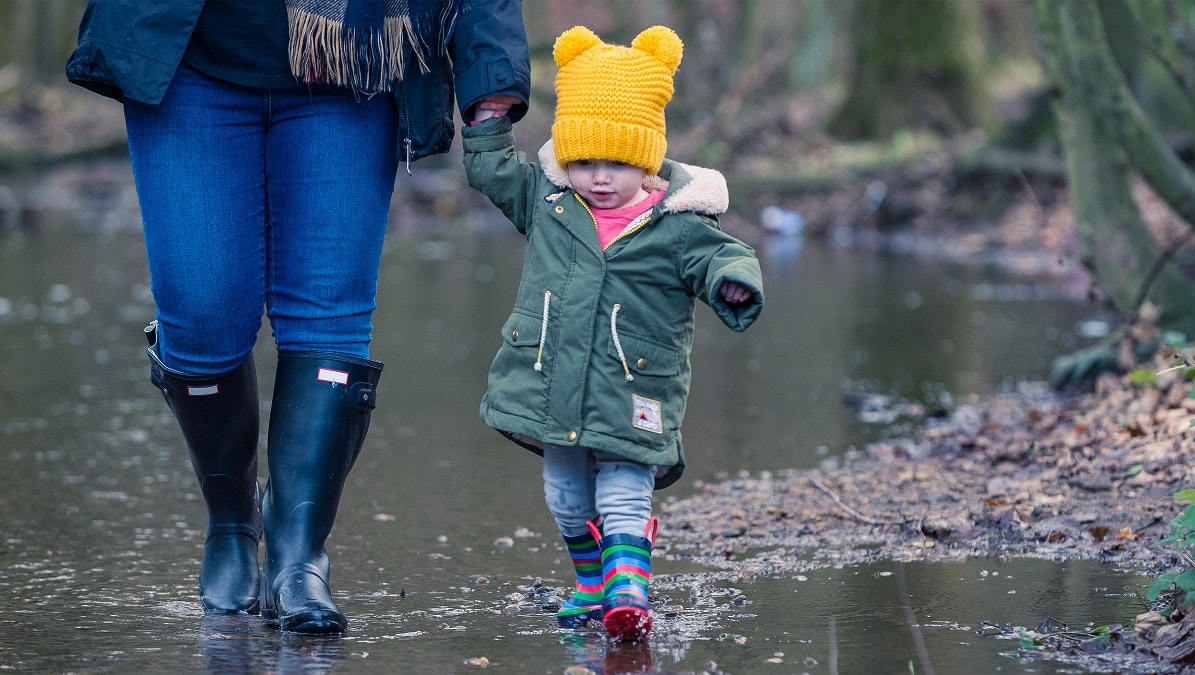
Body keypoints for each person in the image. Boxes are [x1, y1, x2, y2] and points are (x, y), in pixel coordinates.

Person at [64, 0, 529, 635]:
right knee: (201, 316)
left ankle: (298, 557)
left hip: (355, 61)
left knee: (329, 317)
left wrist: (490, 77)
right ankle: (232, 521)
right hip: (188, 55)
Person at [463, 25, 763, 641]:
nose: (600, 177)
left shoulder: (678, 225)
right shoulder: (548, 207)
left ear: (647, 161)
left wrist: (732, 280)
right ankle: (592, 582)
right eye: (585, 162)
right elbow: (492, 171)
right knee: (566, 495)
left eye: (619, 163)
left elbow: (720, 256)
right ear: (566, 159)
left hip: (634, 386)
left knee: (625, 485)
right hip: (554, 382)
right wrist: (488, 120)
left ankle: (630, 583)